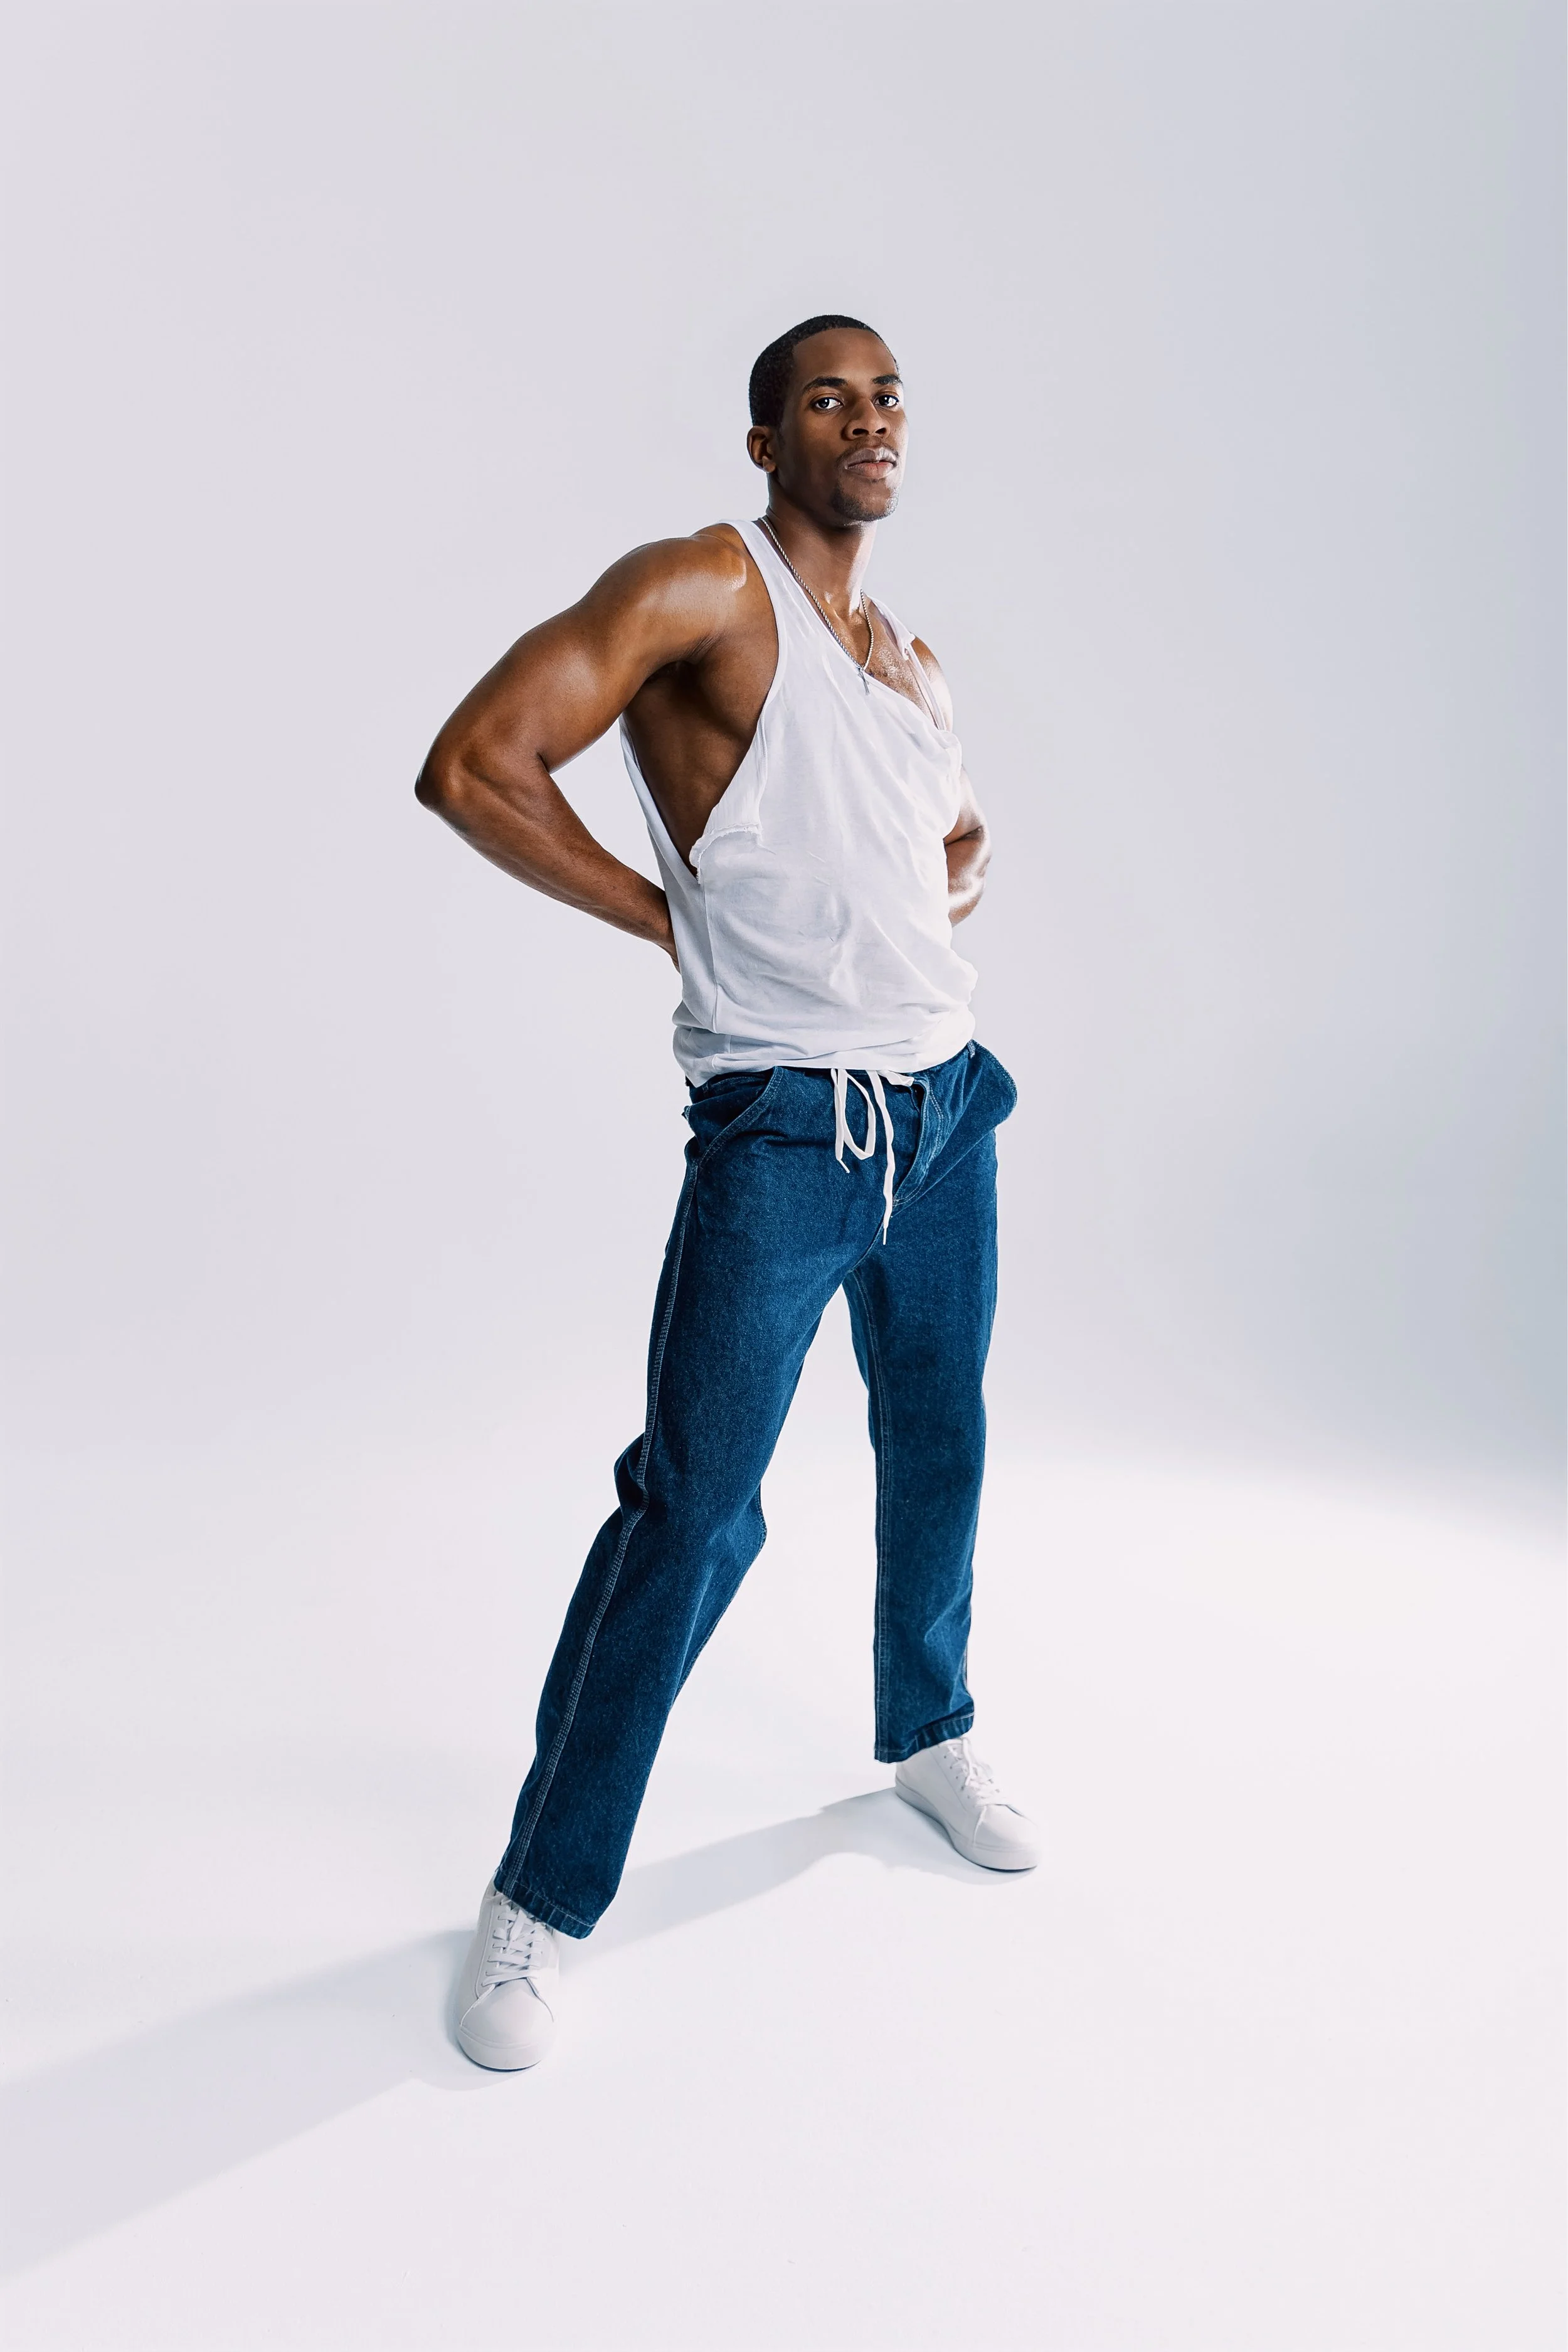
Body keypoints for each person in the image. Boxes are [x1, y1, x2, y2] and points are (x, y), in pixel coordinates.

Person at [416, 314, 1040, 2072]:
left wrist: (926, 895)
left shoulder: (903, 656)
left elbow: (955, 841)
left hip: (944, 1109)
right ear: (767, 439)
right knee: (692, 1510)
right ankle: (538, 1897)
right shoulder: (707, 585)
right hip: (784, 1127)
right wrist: (665, 915)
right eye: (828, 397)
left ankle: (924, 1728)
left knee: (939, 1436)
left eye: (889, 394)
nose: (869, 417)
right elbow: (474, 763)